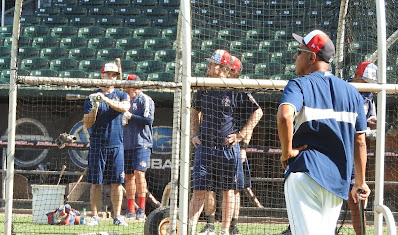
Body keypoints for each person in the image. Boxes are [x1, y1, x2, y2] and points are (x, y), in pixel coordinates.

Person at [277, 30, 371, 235]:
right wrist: (361, 181)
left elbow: (285, 116)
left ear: (312, 57)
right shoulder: (352, 92)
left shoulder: (298, 84)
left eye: (299, 51)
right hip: (337, 181)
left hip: (305, 173)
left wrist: (287, 152)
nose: (295, 56)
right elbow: (360, 141)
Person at [189, 49, 263, 235]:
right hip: (205, 147)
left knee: (228, 190)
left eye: (212, 64)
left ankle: (224, 231)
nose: (208, 66)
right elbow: (194, 111)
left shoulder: (236, 87)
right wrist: (194, 134)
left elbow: (258, 112)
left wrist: (241, 135)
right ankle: (188, 229)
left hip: (226, 147)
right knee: (199, 190)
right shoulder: (204, 86)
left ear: (223, 68)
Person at [83, 63, 131, 226]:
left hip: (116, 144)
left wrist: (106, 100)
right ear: (101, 75)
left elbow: (124, 108)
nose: (110, 77)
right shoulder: (92, 96)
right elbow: (87, 124)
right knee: (96, 182)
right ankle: (95, 216)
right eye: (107, 74)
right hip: (97, 143)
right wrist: (95, 107)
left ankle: (117, 216)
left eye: (114, 75)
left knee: (117, 183)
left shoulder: (122, 95)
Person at [345, 62, 378, 235]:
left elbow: (369, 119)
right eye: (366, 80)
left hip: (355, 154)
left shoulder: (369, 95)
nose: (368, 84)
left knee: (356, 200)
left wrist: (375, 125)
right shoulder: (343, 89)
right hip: (338, 150)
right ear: (357, 76)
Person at [123, 74, 155, 221]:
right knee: (128, 176)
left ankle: (141, 209)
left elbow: (148, 119)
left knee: (139, 174)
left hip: (142, 143)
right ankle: (130, 209)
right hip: (126, 143)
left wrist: (131, 116)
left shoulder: (145, 99)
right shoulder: (123, 99)